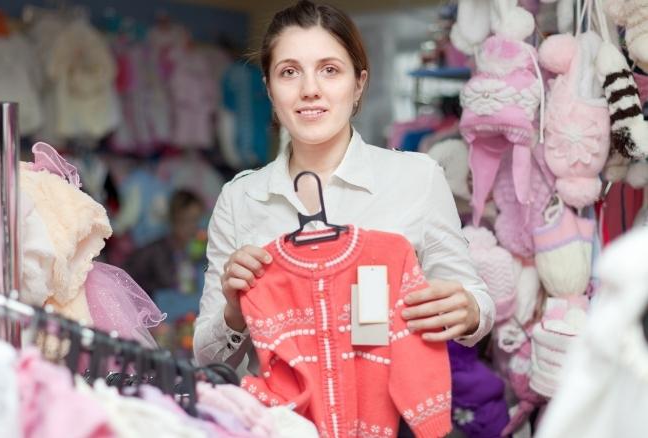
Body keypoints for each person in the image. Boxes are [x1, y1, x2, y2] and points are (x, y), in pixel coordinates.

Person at [194, 0, 493, 380]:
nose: (310, 90)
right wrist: (234, 314)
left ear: (358, 83)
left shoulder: (417, 178)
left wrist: (467, 311)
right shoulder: (241, 199)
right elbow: (207, 361)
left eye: (330, 70)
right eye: (289, 72)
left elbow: (477, 302)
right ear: (269, 89)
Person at [125, 189, 205, 296]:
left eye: (196, 220)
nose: (193, 227)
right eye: (187, 220)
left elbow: (188, 290)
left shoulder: (193, 253)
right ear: (175, 218)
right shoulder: (154, 251)